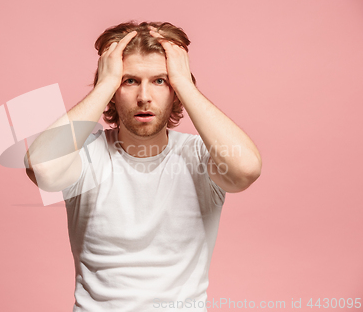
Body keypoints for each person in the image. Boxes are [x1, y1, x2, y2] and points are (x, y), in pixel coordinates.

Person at [25, 21, 262, 311]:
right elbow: (42, 169)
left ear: (175, 90)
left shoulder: (201, 156)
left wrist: (184, 82)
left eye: (160, 81)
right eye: (130, 81)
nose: (144, 97)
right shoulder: (85, 155)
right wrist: (106, 84)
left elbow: (246, 169)